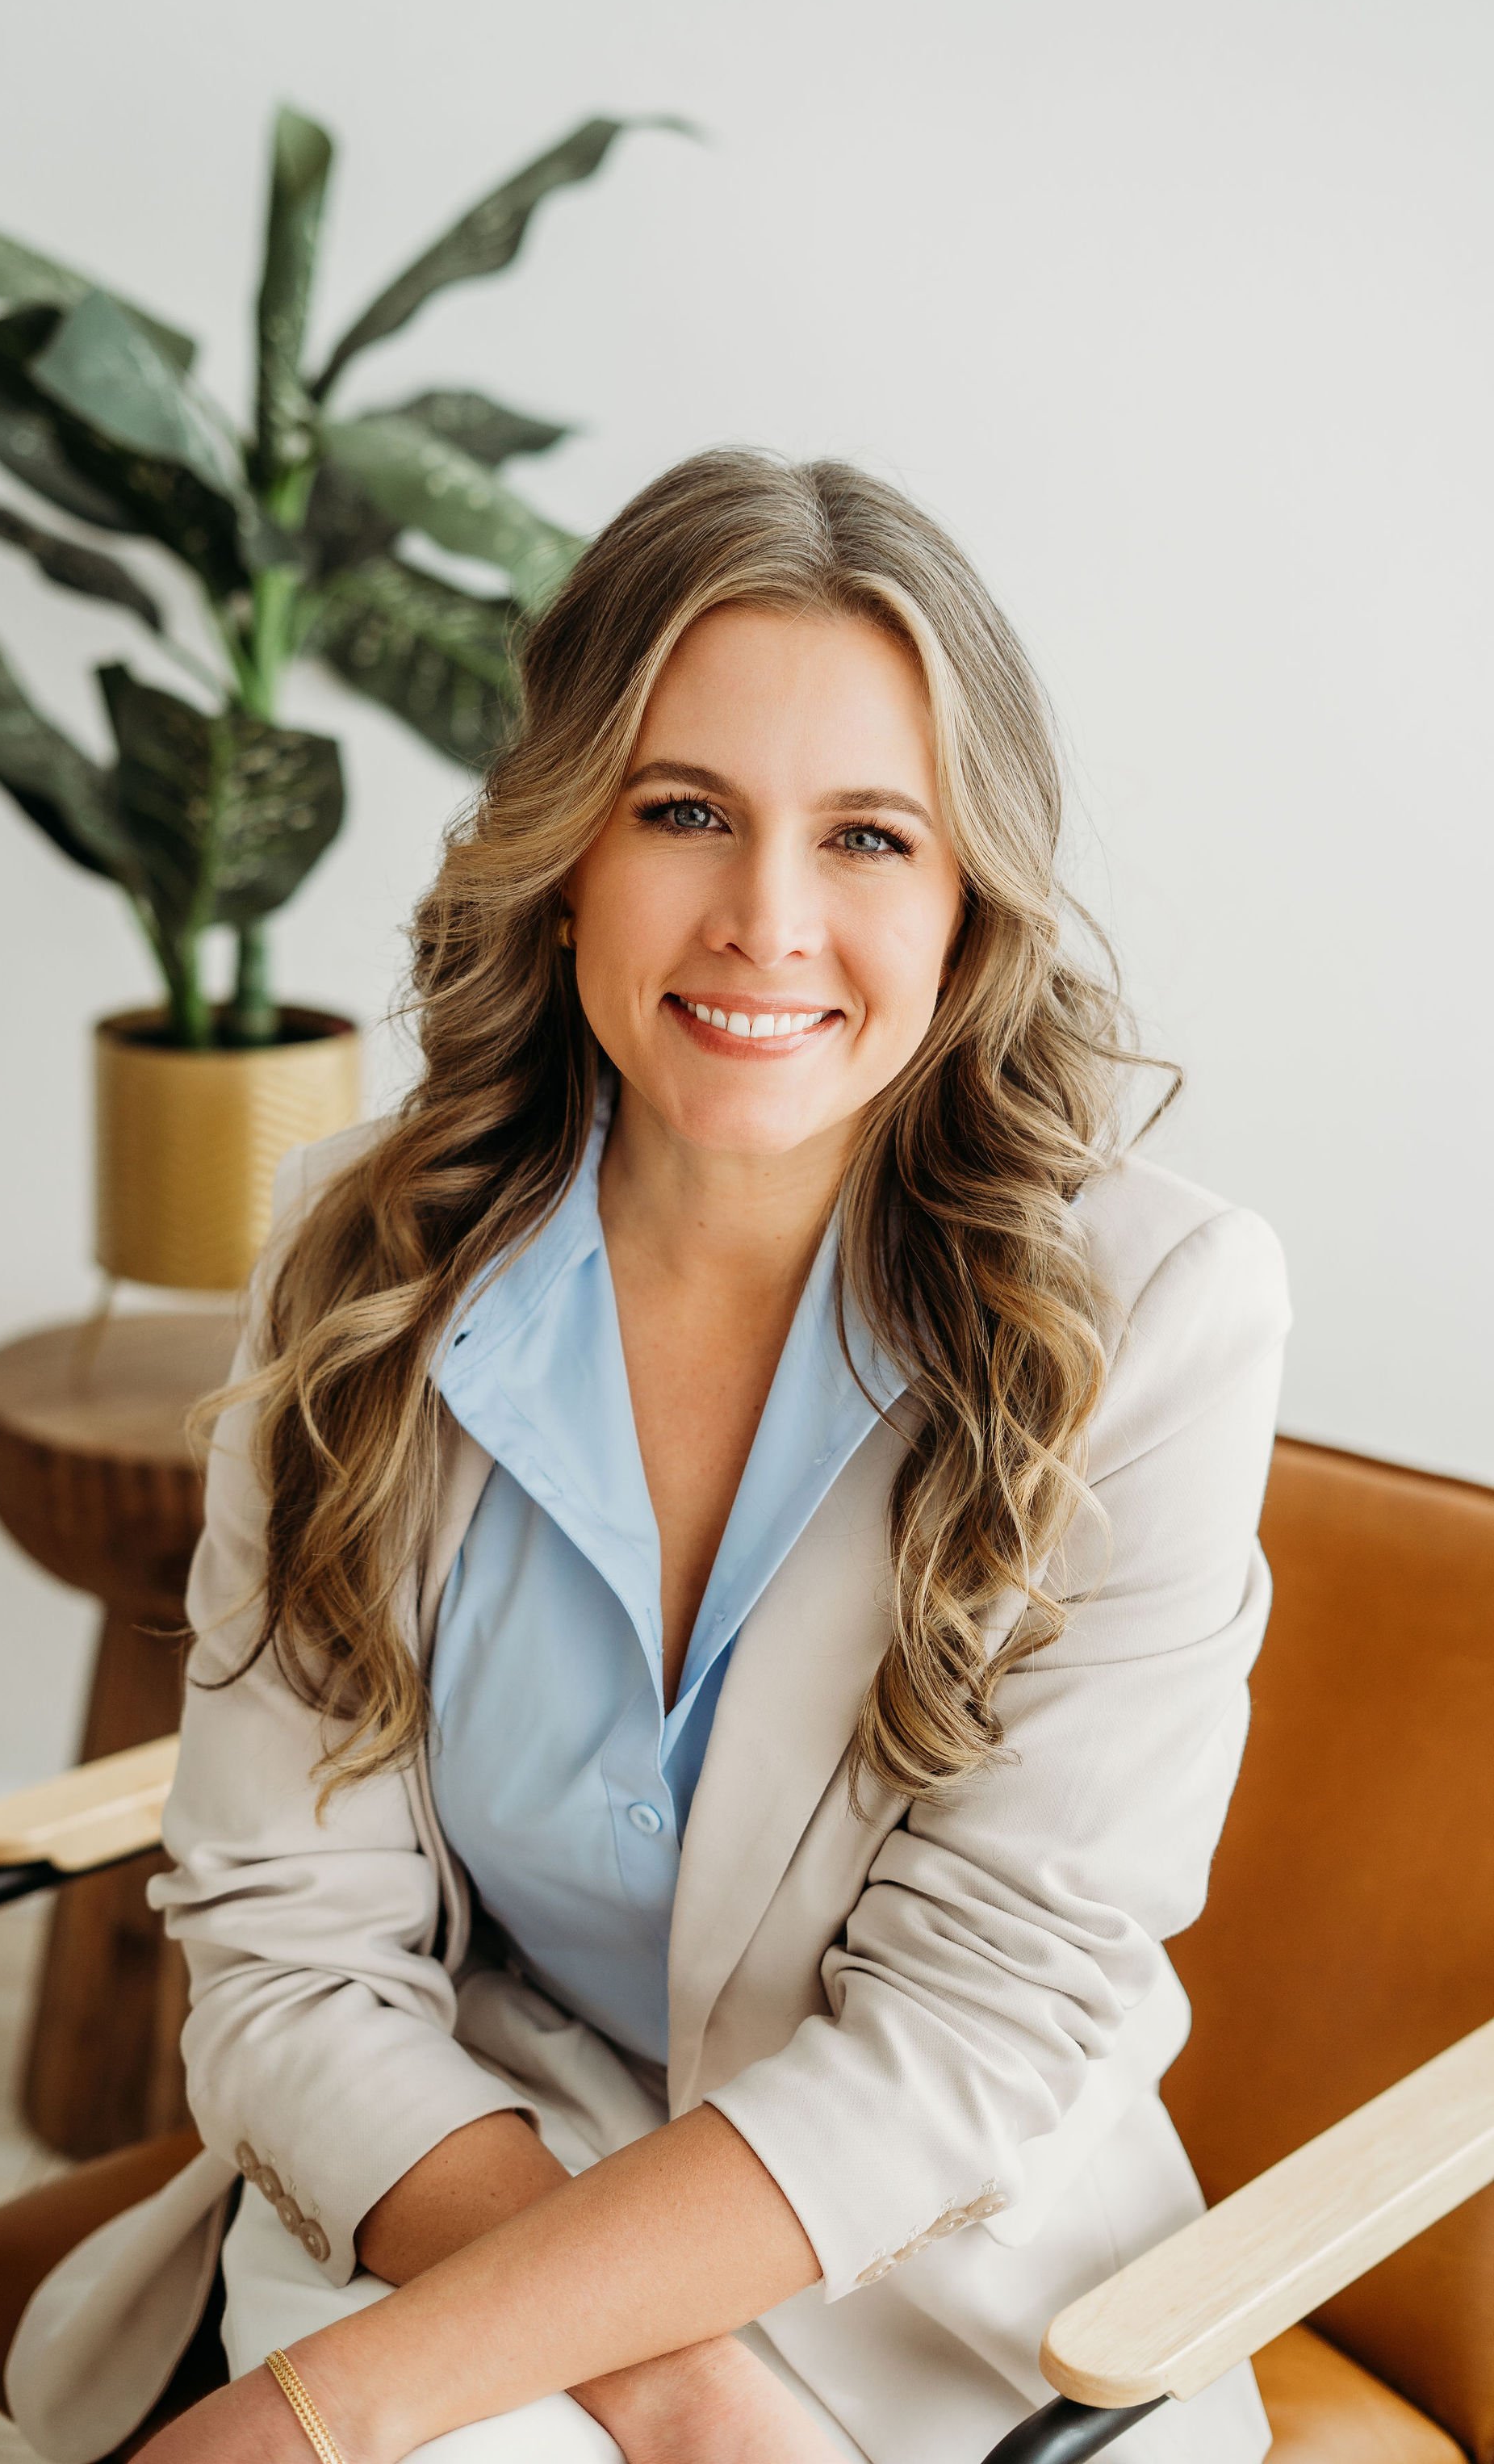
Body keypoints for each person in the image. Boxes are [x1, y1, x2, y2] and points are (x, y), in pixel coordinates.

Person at [115, 450, 1287, 2463]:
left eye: (868, 838)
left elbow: (978, 2029)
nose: (767, 922)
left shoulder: (1154, 1312)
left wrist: (326, 2412)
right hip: (458, 2166)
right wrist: (658, 2386)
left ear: (967, 904)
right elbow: (289, 1949)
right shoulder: (356, 1259)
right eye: (683, 813)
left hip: (935, 2266)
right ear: (563, 847)